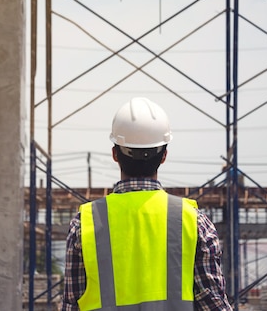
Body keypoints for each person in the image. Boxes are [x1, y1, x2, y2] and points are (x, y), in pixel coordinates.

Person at [61, 97, 232, 311]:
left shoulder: (85, 224)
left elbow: (71, 304)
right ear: (164, 156)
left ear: (115, 154)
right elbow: (214, 303)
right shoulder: (194, 222)